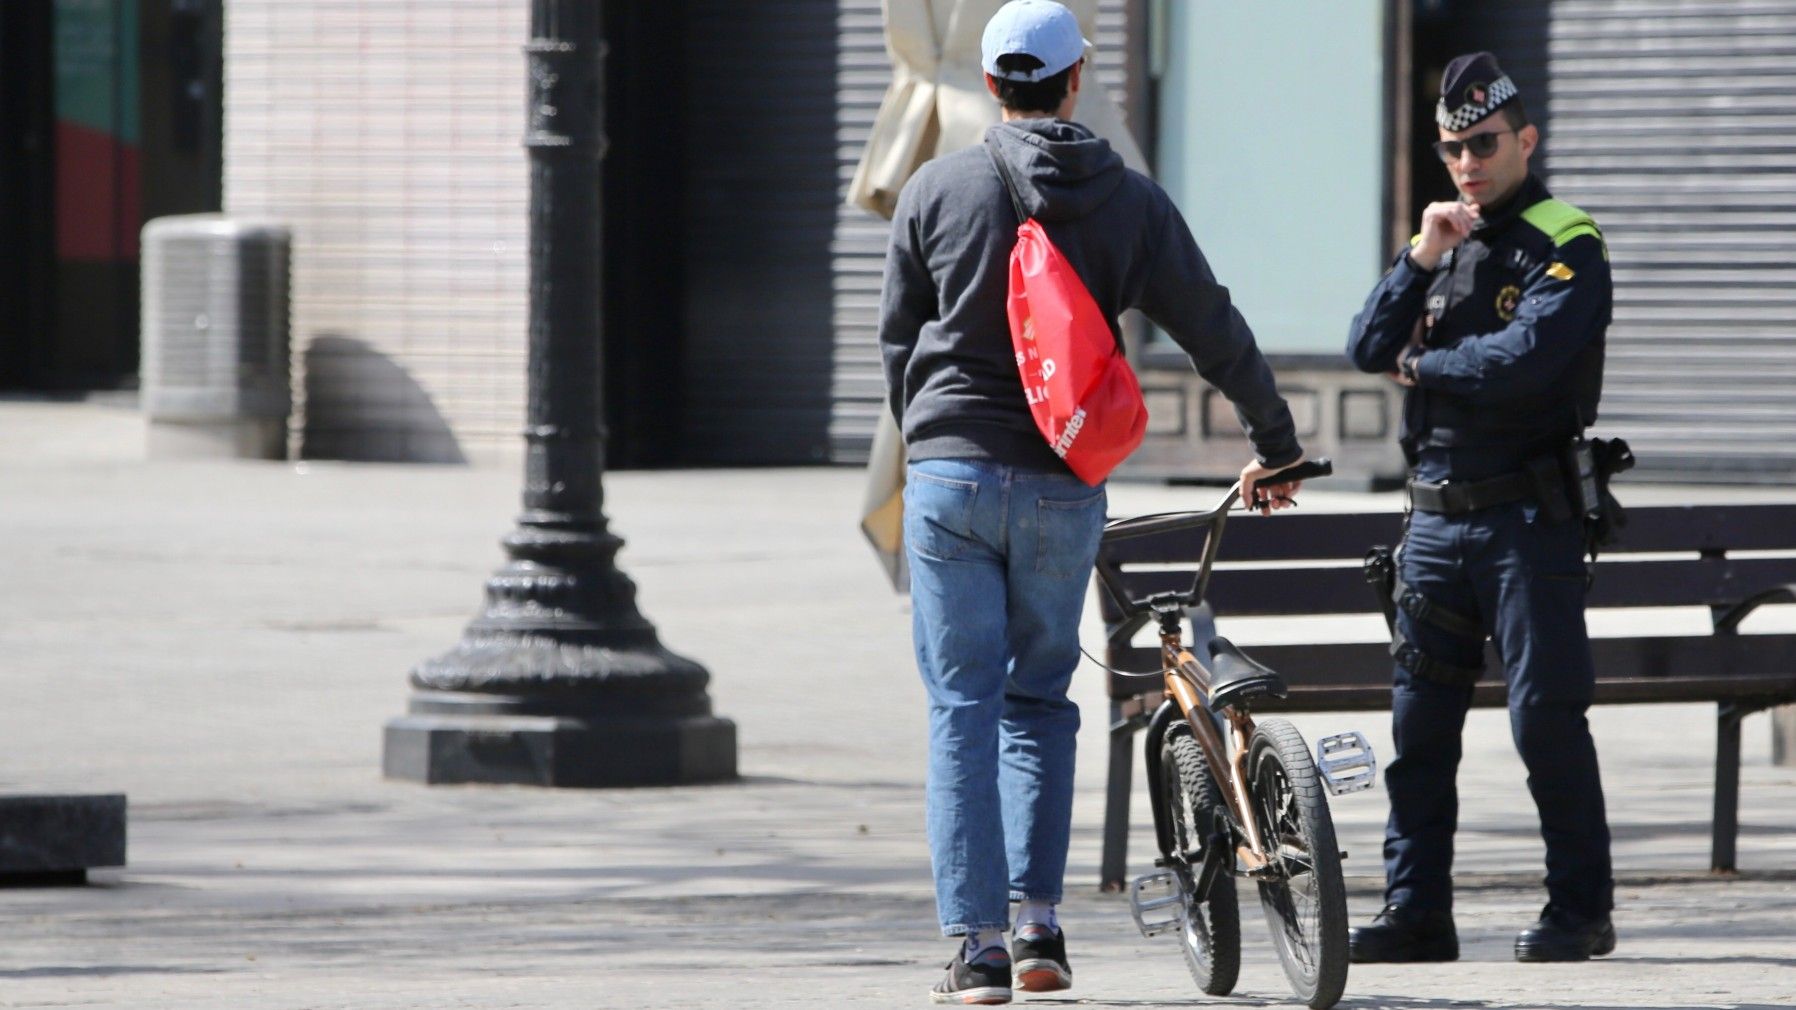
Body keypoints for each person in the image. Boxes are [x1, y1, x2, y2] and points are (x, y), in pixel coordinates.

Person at [878, 1, 1304, 1002]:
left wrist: (938, 444)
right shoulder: (1132, 202)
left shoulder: (936, 189)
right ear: (1075, 83)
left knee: (960, 708)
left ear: (990, 86)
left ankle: (975, 949)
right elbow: (1212, 325)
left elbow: (898, 343)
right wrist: (1274, 442)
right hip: (1064, 487)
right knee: (1036, 700)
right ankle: (1037, 931)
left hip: (948, 474)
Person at [1345, 51, 1617, 964]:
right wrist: (1421, 255)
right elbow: (1364, 345)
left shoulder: (1566, 238)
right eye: (1454, 147)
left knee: (1544, 717)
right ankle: (1418, 912)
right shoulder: (1444, 238)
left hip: (1524, 521)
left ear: (1525, 139)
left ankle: (1579, 911)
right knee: (1419, 732)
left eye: (1486, 143)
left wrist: (1422, 368)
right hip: (1432, 525)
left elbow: (1523, 362)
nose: (1469, 163)